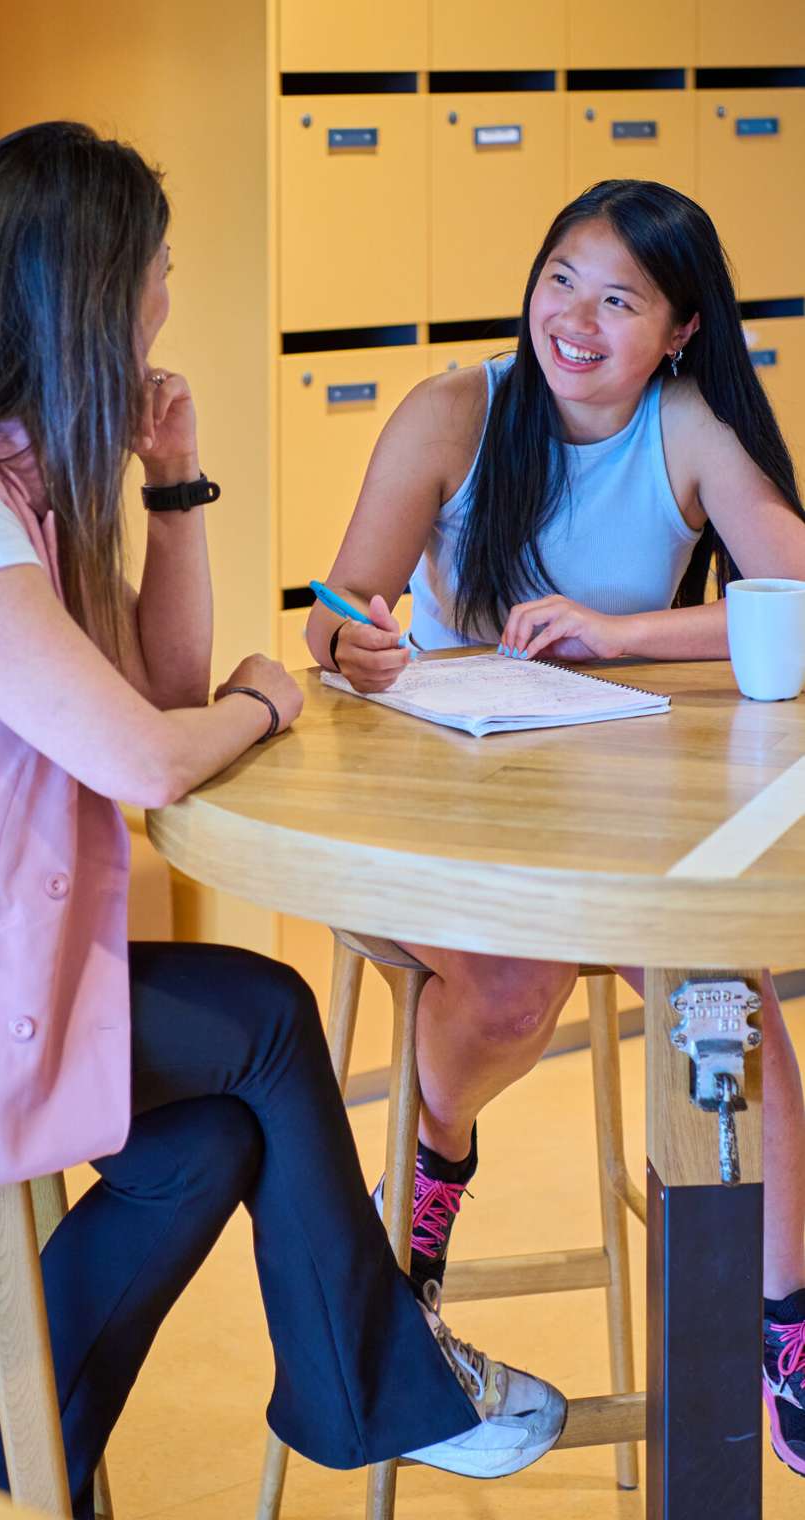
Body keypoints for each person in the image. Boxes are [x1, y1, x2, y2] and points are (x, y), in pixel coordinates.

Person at [0, 122, 568, 1519]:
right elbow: (154, 752)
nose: (165, 298)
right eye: (152, 272)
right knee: (264, 1016)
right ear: (87, 294)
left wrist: (176, 484)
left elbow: (152, 689)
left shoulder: (5, 484)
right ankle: (366, 1390)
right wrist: (267, 702)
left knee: (206, 1140)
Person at [305, 178, 805, 1477]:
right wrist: (351, 632)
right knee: (515, 990)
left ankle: (788, 1336)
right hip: (453, 808)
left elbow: (794, 586)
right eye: (559, 281)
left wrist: (621, 631)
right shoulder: (454, 410)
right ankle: (423, 1201)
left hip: (619, 812)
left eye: (619, 299)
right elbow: (342, 602)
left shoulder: (685, 425)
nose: (574, 320)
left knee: (727, 1006)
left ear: (680, 331)